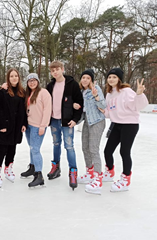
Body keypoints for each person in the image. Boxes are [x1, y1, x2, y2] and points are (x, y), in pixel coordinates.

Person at [100, 68, 148, 192]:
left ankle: (126, 179)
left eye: (114, 77)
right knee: (107, 151)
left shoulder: (126, 91)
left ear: (119, 79)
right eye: (109, 77)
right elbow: (110, 112)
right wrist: (102, 110)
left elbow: (137, 106)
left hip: (130, 125)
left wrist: (139, 94)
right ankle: (110, 172)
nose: (111, 79)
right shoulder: (109, 94)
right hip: (116, 124)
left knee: (124, 152)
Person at [46, 60, 83, 190]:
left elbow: (79, 103)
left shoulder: (72, 84)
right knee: (56, 144)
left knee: (69, 146)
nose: (55, 72)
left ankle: (73, 171)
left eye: (57, 69)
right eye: (52, 70)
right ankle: (56, 167)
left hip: (67, 121)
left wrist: (75, 119)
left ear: (62, 69)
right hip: (54, 120)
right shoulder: (50, 86)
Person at [0, 68, 27, 188]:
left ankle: (8, 168)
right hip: (5, 125)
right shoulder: (2, 91)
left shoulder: (22, 92)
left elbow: (24, 110)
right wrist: (2, 125)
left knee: (12, 148)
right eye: (11, 76)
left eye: (16, 76)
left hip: (16, 126)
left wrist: (24, 124)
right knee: (2, 149)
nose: (14, 78)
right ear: (8, 78)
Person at [73, 69, 106, 195]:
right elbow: (83, 110)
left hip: (97, 121)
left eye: (88, 78)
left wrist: (96, 96)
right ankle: (90, 172)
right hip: (87, 121)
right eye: (83, 77)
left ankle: (98, 178)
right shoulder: (82, 92)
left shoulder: (96, 88)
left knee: (93, 149)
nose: (85, 80)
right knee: (85, 148)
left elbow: (103, 106)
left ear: (91, 80)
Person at [21, 73, 52, 187]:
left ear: (38, 81)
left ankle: (39, 175)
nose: (32, 82)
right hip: (29, 125)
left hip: (38, 126)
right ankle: (32, 167)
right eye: (30, 81)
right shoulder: (28, 93)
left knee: (35, 149)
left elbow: (47, 110)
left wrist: (43, 125)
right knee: (32, 148)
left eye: (34, 80)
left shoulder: (44, 93)